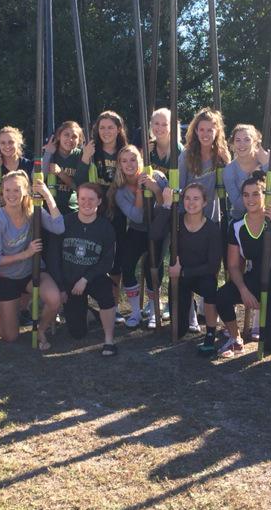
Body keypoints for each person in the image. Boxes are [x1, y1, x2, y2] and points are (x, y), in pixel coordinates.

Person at [213, 174, 271, 357]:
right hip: (256, 281)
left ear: (265, 195)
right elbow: (233, 266)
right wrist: (243, 290)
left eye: (255, 194)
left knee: (270, 344)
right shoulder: (237, 226)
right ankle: (235, 339)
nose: (250, 199)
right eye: (246, 195)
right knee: (221, 296)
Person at [0, 170, 63, 350]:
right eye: (7, 190)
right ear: (2, 191)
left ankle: (41, 330)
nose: (11, 195)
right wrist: (26, 254)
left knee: (54, 299)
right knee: (10, 336)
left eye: (17, 190)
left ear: (26, 190)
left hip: (31, 272)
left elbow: (59, 227)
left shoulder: (33, 210)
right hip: (6, 277)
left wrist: (46, 195)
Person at [55, 183, 120, 355]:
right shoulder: (66, 222)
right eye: (82, 198)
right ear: (77, 199)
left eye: (91, 199)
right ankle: (91, 313)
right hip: (70, 280)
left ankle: (109, 340)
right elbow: (55, 257)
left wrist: (85, 279)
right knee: (77, 333)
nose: (86, 203)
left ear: (99, 201)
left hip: (93, 277)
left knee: (106, 293)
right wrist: (61, 287)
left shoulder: (105, 227)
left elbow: (107, 262)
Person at [151, 183, 221, 340]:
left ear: (204, 202)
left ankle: (210, 332)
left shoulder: (212, 229)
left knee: (210, 289)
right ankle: (188, 310)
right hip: (179, 279)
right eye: (187, 198)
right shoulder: (177, 220)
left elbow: (213, 266)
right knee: (179, 331)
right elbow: (154, 234)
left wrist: (183, 271)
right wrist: (167, 205)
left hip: (201, 275)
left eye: (196, 198)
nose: (191, 202)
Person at [75, 111, 129, 311]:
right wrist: (85, 157)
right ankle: (86, 301)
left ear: (118, 129)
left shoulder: (124, 152)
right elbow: (80, 182)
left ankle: (112, 305)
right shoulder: (92, 151)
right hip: (95, 210)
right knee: (91, 254)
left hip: (119, 210)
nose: (106, 131)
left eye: (111, 127)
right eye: (102, 127)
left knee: (116, 257)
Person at [109, 145, 166, 328]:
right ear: (119, 165)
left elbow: (165, 208)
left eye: (133, 159)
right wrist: (141, 192)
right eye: (124, 161)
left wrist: (156, 190)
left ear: (140, 160)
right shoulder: (120, 191)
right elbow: (138, 217)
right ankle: (135, 311)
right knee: (127, 264)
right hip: (137, 229)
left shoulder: (157, 177)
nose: (129, 164)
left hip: (158, 228)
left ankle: (154, 309)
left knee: (153, 267)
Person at [178, 108, 231, 222]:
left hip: (212, 218)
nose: (205, 134)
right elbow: (180, 187)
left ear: (217, 131)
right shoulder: (186, 155)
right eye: (201, 130)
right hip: (189, 217)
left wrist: (228, 162)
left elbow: (230, 185)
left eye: (209, 130)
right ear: (196, 131)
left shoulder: (220, 155)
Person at [223, 124, 270, 222]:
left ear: (255, 142)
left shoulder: (264, 160)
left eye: (247, 140)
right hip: (241, 220)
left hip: (267, 218)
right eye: (238, 140)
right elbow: (239, 206)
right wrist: (253, 176)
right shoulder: (229, 171)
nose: (242, 144)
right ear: (233, 144)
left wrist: (267, 166)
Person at [0, 126, 33, 210]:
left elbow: (33, 190)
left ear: (18, 143)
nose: (7, 146)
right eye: (3, 143)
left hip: (24, 210)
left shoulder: (27, 164)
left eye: (11, 142)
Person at [43, 120, 85, 215]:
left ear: (79, 140)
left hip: (72, 209)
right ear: (59, 136)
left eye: (74, 137)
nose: (70, 139)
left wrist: (60, 173)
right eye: (66, 135)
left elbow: (78, 188)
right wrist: (48, 153)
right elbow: (36, 179)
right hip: (48, 208)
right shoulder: (49, 151)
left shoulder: (81, 156)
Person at [148, 108, 182, 178]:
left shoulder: (179, 151)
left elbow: (183, 180)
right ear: (151, 125)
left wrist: (156, 185)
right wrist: (142, 156)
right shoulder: (149, 146)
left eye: (164, 124)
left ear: (171, 127)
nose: (159, 128)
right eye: (156, 123)